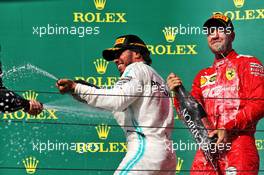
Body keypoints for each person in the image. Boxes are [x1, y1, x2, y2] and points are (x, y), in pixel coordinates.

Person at [56, 34, 176, 175]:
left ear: (137, 53)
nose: (115, 59)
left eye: (120, 53)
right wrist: (78, 92)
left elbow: (116, 100)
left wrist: (76, 87)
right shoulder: (157, 77)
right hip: (167, 157)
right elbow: (114, 105)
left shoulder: (136, 68)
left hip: (146, 153)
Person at [167, 13, 264, 175]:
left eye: (220, 30)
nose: (215, 35)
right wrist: (178, 94)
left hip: (239, 146)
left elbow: (260, 102)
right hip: (208, 149)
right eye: (210, 32)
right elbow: (191, 117)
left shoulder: (248, 63)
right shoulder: (202, 76)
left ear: (231, 35)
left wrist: (226, 127)